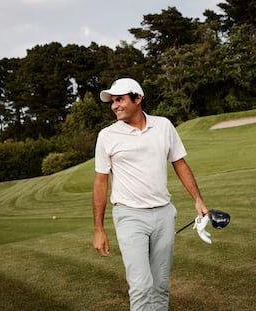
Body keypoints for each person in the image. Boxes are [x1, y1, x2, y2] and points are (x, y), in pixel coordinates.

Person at [92, 78, 209, 311]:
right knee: (141, 286)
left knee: (160, 286)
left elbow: (180, 164)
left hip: (164, 214)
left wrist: (198, 199)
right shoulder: (107, 136)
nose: (114, 106)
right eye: (112, 101)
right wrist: (99, 228)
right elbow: (100, 182)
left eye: (120, 100)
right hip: (129, 216)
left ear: (138, 98)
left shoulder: (163, 126)